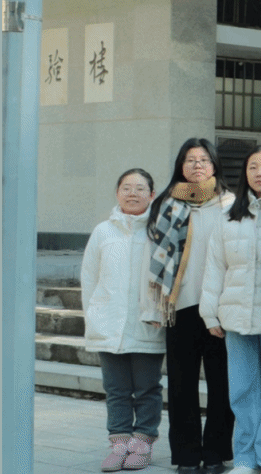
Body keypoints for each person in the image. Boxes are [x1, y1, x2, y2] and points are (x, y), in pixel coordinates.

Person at [199, 146, 261, 474]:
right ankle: (245, 458)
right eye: (253, 166)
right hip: (236, 316)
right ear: (244, 173)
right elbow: (215, 268)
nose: (259, 173)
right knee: (242, 391)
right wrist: (209, 312)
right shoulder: (228, 217)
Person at [144, 138, 237, 474]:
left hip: (221, 307)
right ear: (180, 167)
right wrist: (153, 307)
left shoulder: (230, 203)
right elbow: (151, 257)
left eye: (204, 159)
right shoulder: (165, 204)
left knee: (222, 385)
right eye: (190, 160)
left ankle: (216, 454)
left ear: (214, 165)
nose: (197, 165)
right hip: (180, 305)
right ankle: (185, 456)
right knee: (181, 385)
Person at [84, 168, 167, 473]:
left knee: (147, 388)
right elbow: (89, 278)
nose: (133, 193)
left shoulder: (159, 231)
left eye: (140, 188)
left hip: (147, 324)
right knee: (116, 389)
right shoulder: (103, 232)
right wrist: (93, 316)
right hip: (109, 324)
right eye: (126, 188)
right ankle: (119, 443)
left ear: (152, 194)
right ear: (117, 193)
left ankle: (142, 443)